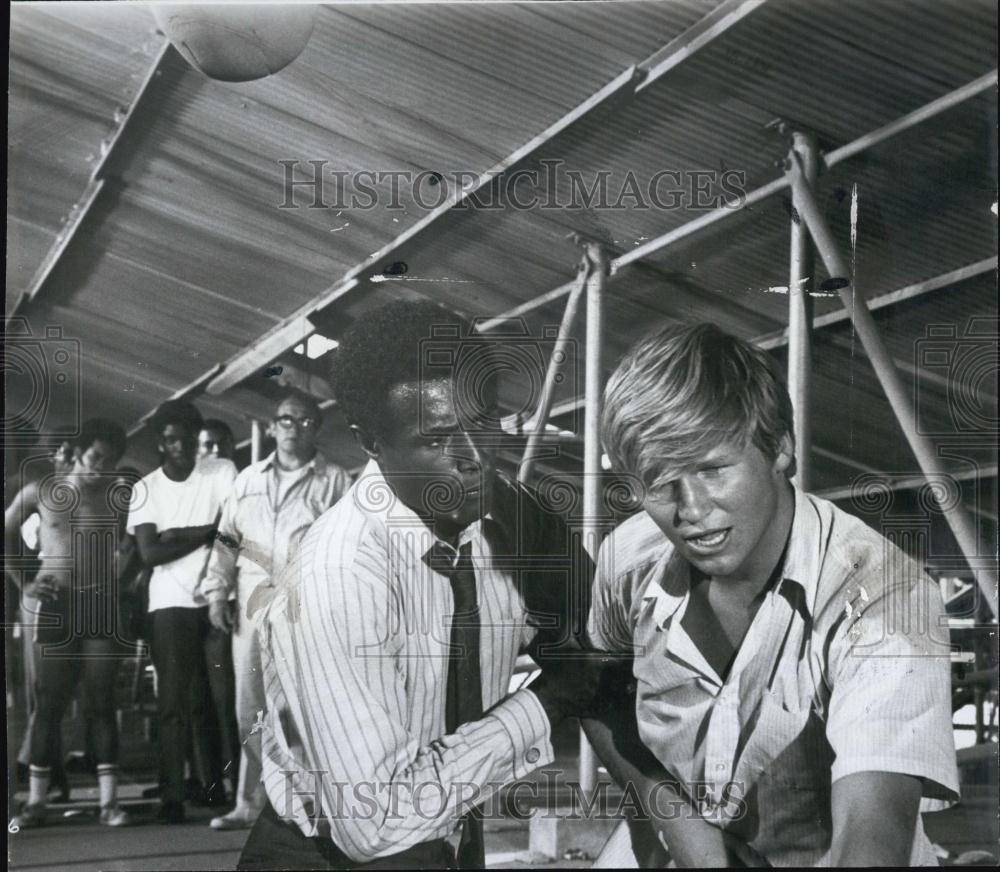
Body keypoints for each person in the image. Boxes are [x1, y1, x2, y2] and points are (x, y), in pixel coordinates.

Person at [237, 301, 629, 870]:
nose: (474, 459)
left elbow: (595, 660)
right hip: (333, 852)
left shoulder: (514, 515)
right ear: (370, 441)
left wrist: (675, 816)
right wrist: (546, 702)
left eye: (484, 422)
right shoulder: (337, 574)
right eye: (439, 439)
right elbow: (376, 824)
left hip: (446, 836)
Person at [590, 322, 960, 866]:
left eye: (713, 468)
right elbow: (593, 686)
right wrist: (673, 818)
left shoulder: (884, 595)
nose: (690, 510)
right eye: (660, 481)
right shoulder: (629, 556)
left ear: (780, 448)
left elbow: (871, 828)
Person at [201, 392, 351, 830]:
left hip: (306, 608)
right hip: (251, 607)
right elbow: (226, 539)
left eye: (305, 421)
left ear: (316, 428)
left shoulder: (335, 481)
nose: (294, 427)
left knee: (299, 707)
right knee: (249, 709)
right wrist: (216, 593)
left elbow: (346, 549)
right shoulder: (247, 481)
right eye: (286, 419)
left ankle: (306, 804)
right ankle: (250, 802)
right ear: (272, 427)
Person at [5, 419, 134, 828]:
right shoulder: (41, 492)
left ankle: (109, 804)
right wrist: (25, 581)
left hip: (100, 605)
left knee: (101, 703)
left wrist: (122, 584)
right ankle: (37, 803)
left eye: (110, 460)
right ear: (77, 452)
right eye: (96, 457)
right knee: (49, 704)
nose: (102, 466)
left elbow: (136, 545)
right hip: (56, 602)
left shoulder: (118, 496)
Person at [127, 400, 239, 824]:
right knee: (176, 701)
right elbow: (151, 553)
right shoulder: (147, 489)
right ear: (160, 443)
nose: (182, 447)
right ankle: (172, 795)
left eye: (189, 439)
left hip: (217, 597)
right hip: (169, 603)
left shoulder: (222, 471)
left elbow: (235, 531)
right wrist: (207, 532)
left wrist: (187, 534)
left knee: (220, 699)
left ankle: (219, 790)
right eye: (172, 439)